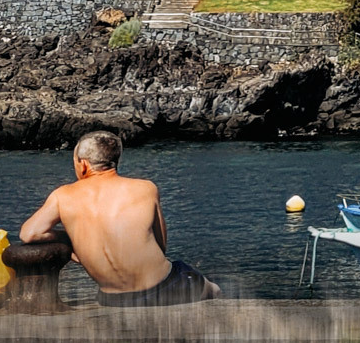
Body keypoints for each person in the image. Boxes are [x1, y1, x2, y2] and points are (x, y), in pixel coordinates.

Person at [20, 131, 217, 306]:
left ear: (84, 164)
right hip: (164, 289)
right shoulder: (146, 188)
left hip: (112, 299)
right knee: (212, 288)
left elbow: (29, 234)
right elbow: (161, 246)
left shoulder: (62, 196)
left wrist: (70, 239)